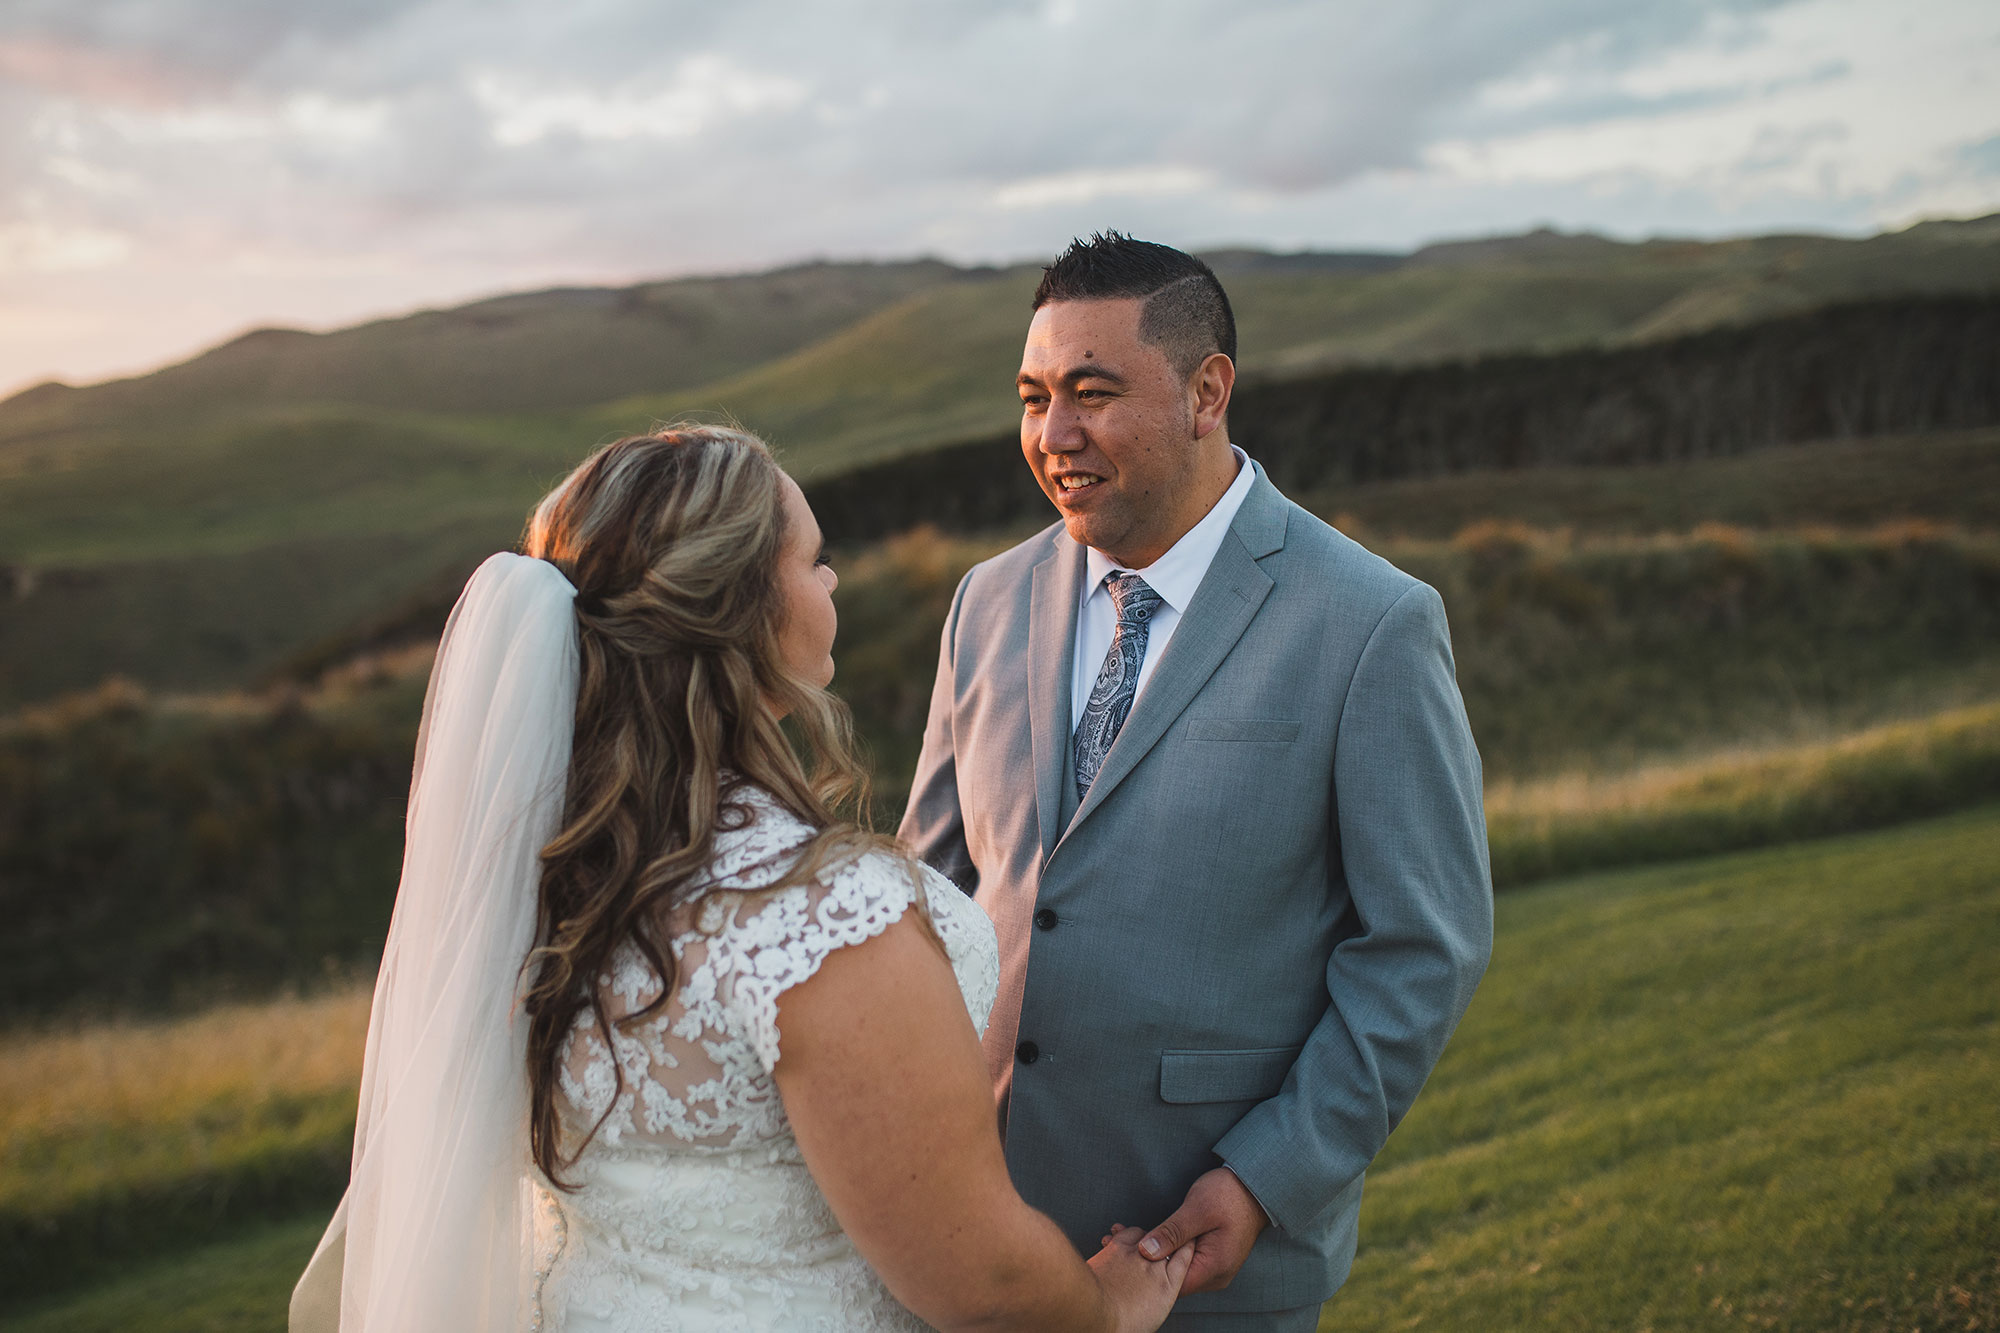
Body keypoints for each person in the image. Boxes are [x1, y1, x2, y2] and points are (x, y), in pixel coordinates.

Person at [290, 427, 1194, 1332]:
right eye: (815, 557)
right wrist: (1108, 1305)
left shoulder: (544, 879)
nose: (833, 579)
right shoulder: (821, 915)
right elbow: (983, 1283)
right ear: (742, 609)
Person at [899, 234, 1494, 1330]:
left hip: (1203, 1247)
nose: (1052, 436)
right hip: (977, 1243)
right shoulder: (984, 600)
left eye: (1090, 393)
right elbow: (926, 891)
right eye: (1032, 397)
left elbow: (1422, 947)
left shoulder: (1368, 622)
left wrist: (1268, 1176)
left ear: (1206, 391)